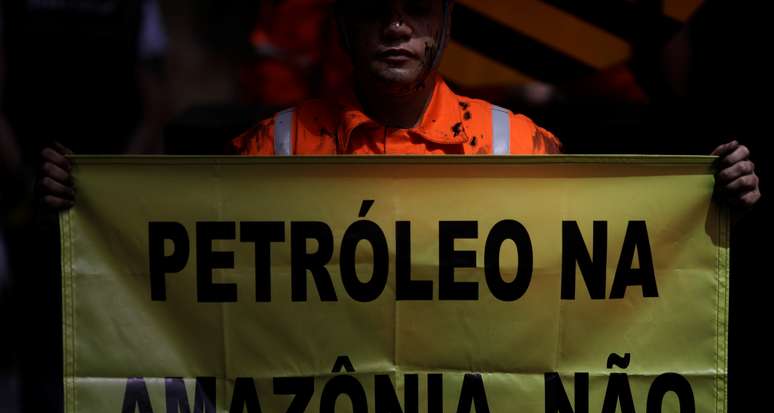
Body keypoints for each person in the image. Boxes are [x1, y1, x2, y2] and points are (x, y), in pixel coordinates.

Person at [37, 0, 759, 209]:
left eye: (416, 7)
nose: (395, 25)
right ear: (342, 27)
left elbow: (620, 253)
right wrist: (90, 205)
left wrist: (709, 202)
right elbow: (177, 260)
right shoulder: (271, 149)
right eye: (374, 8)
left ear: (446, 23)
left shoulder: (521, 146)